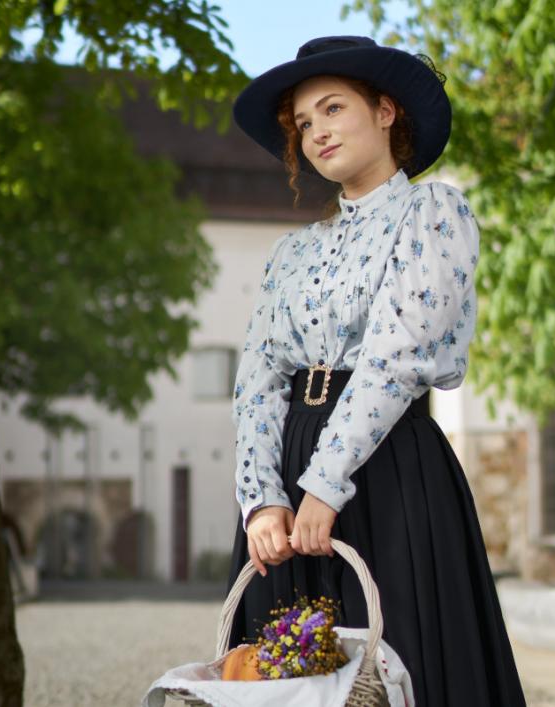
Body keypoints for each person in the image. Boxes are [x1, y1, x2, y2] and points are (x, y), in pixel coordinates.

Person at [225, 35, 527, 706]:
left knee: (399, 670)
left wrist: (325, 486)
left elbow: (397, 357)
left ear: (386, 111)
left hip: (387, 473)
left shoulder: (432, 214)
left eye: (332, 109)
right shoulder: (292, 252)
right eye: (303, 123)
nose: (317, 132)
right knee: (284, 678)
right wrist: (261, 499)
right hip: (288, 478)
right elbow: (257, 381)